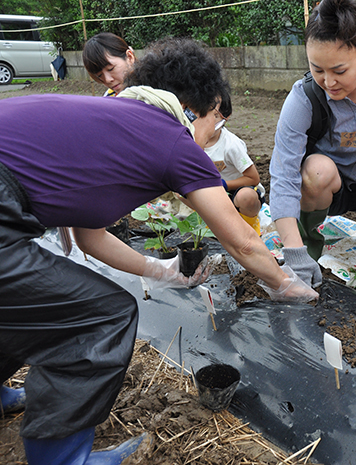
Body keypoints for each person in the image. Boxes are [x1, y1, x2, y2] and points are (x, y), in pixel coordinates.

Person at [0, 38, 316, 465]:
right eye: (215, 121)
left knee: (31, 303)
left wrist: (164, 270)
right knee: (98, 317)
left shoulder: (113, 120)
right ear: (197, 108)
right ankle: (61, 461)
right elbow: (240, 240)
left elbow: (90, 236)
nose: (212, 136)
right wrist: (288, 285)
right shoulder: (171, 138)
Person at [269, 0, 356, 288]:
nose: (328, 81)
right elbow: (283, 175)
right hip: (334, 190)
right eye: (317, 69)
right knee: (315, 171)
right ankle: (308, 244)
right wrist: (293, 253)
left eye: (339, 71)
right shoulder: (304, 97)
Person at [203, 92, 265, 236]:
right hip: (212, 193)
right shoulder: (193, 140)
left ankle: (249, 230)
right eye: (203, 114)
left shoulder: (231, 145)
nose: (207, 121)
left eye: (215, 116)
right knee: (180, 192)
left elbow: (253, 178)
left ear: (226, 116)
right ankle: (207, 226)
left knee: (246, 197)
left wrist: (223, 184)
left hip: (236, 192)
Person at [82, 32, 136, 96]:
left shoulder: (149, 91)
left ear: (129, 57)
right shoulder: (109, 97)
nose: (107, 80)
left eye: (111, 69)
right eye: (99, 75)